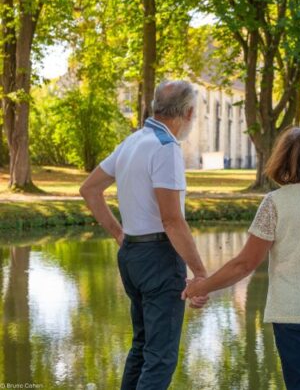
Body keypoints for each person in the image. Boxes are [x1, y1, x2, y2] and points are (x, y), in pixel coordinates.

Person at [183, 127, 300, 390]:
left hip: (295, 315)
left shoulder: (275, 203)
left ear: (280, 160)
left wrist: (201, 287)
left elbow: (245, 264)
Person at [80, 80, 209, 390]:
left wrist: (119, 234)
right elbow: (172, 221)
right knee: (161, 357)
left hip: (132, 256)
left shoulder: (132, 141)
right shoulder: (166, 149)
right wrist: (201, 274)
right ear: (188, 113)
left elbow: (89, 189)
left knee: (142, 347)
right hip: (159, 259)